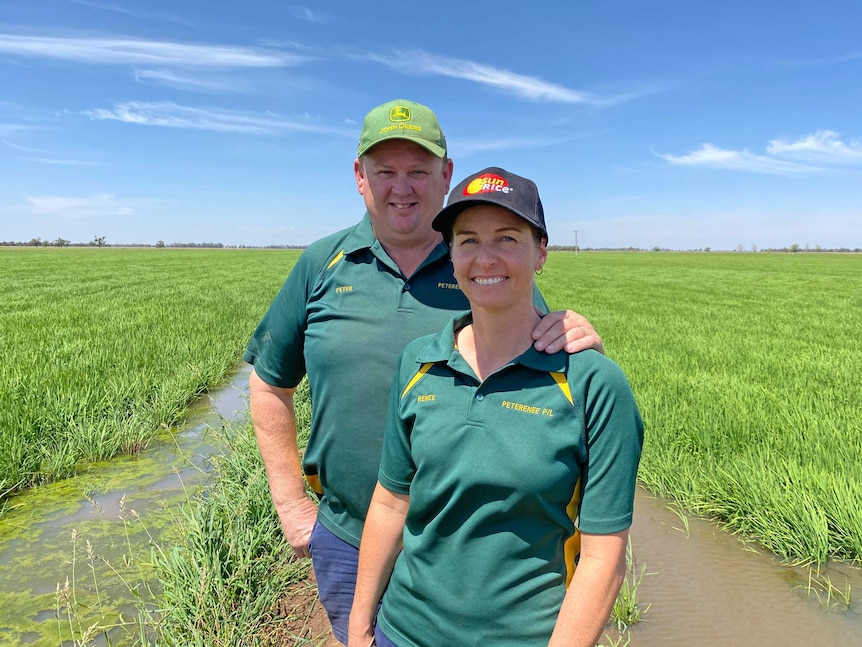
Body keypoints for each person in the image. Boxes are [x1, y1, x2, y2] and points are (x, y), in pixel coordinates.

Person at [243, 100, 604, 644]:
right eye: (385, 171)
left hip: (467, 557)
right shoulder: (322, 264)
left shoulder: (480, 265)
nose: (402, 188)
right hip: (348, 533)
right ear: (360, 177)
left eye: (418, 171)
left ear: (447, 175)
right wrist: (291, 503)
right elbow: (270, 381)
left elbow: (541, 349)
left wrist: (576, 335)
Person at [348, 167, 644, 647]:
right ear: (451, 254)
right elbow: (390, 502)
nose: (485, 258)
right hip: (401, 632)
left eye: (507, 238)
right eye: (467, 241)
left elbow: (602, 558)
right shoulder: (418, 364)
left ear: (541, 252)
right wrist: (360, 626)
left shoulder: (593, 383)